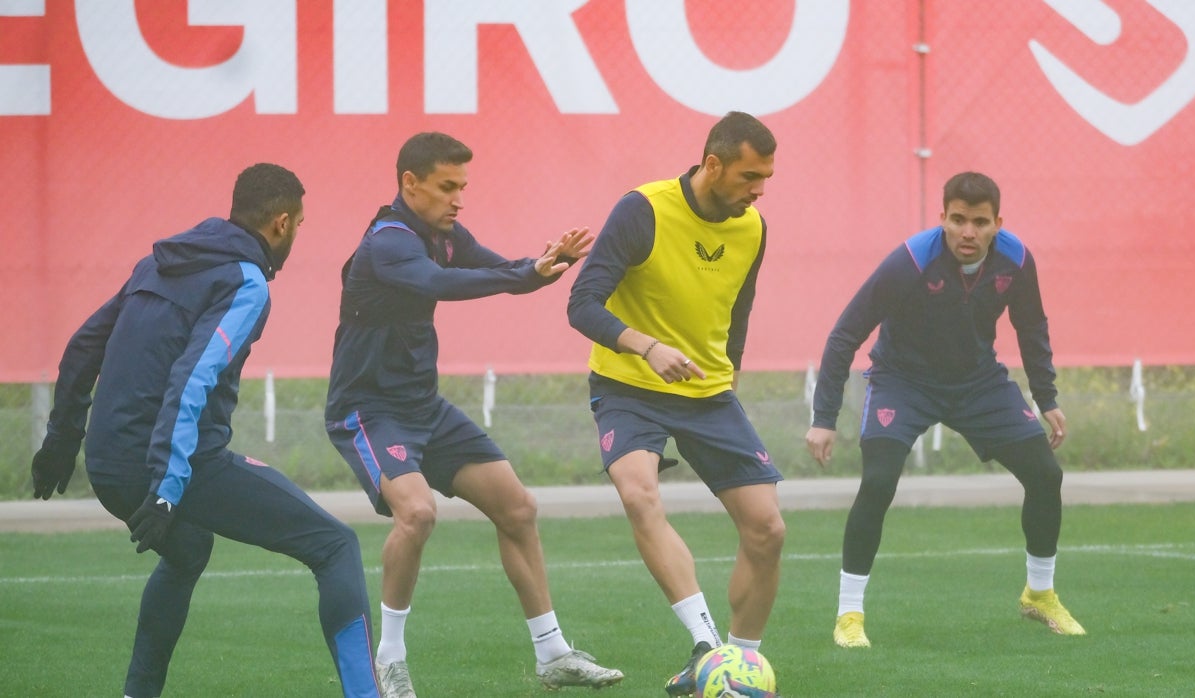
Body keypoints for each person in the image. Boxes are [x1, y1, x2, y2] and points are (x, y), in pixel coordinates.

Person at [30, 164, 381, 698]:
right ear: (281, 223)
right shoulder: (247, 282)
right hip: (172, 469)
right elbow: (190, 377)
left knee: (190, 548)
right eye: (301, 225)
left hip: (107, 461)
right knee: (336, 545)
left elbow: (83, 346)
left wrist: (60, 442)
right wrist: (169, 487)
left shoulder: (157, 262)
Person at [324, 132, 623, 697]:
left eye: (463, 186)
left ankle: (553, 653)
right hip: (368, 411)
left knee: (518, 507)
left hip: (423, 407)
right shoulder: (388, 242)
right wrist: (524, 274)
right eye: (446, 187)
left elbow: (501, 270)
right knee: (417, 513)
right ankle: (387, 661)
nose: (458, 198)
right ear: (409, 183)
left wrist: (540, 264)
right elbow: (441, 284)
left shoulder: (446, 235)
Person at [805, 171, 1085, 648]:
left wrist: (1047, 397)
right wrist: (823, 419)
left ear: (998, 222)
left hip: (977, 382)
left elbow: (1031, 326)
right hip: (902, 381)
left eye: (979, 222)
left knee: (1046, 474)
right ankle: (849, 616)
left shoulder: (1016, 260)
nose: (968, 233)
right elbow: (844, 335)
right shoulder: (911, 261)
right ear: (943, 219)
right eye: (958, 220)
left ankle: (1039, 594)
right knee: (877, 483)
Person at [567, 111, 787, 696]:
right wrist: (647, 347)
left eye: (765, 177)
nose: (758, 190)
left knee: (768, 530)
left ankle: (734, 667)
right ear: (712, 164)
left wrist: (730, 375)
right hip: (628, 384)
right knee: (639, 491)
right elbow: (582, 304)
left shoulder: (753, 227)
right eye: (748, 176)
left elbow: (737, 311)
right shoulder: (642, 209)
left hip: (708, 392)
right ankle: (707, 645)